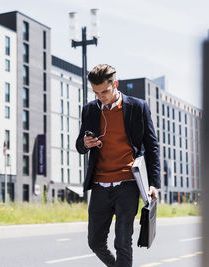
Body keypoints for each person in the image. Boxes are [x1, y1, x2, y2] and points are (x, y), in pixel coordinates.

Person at [76, 64, 161, 267]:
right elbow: (80, 145)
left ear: (115, 84)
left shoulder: (137, 107)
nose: (100, 96)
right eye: (96, 92)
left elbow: (152, 147)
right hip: (100, 185)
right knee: (95, 243)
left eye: (104, 91)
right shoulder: (89, 110)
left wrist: (155, 184)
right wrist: (85, 144)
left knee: (123, 241)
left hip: (128, 183)